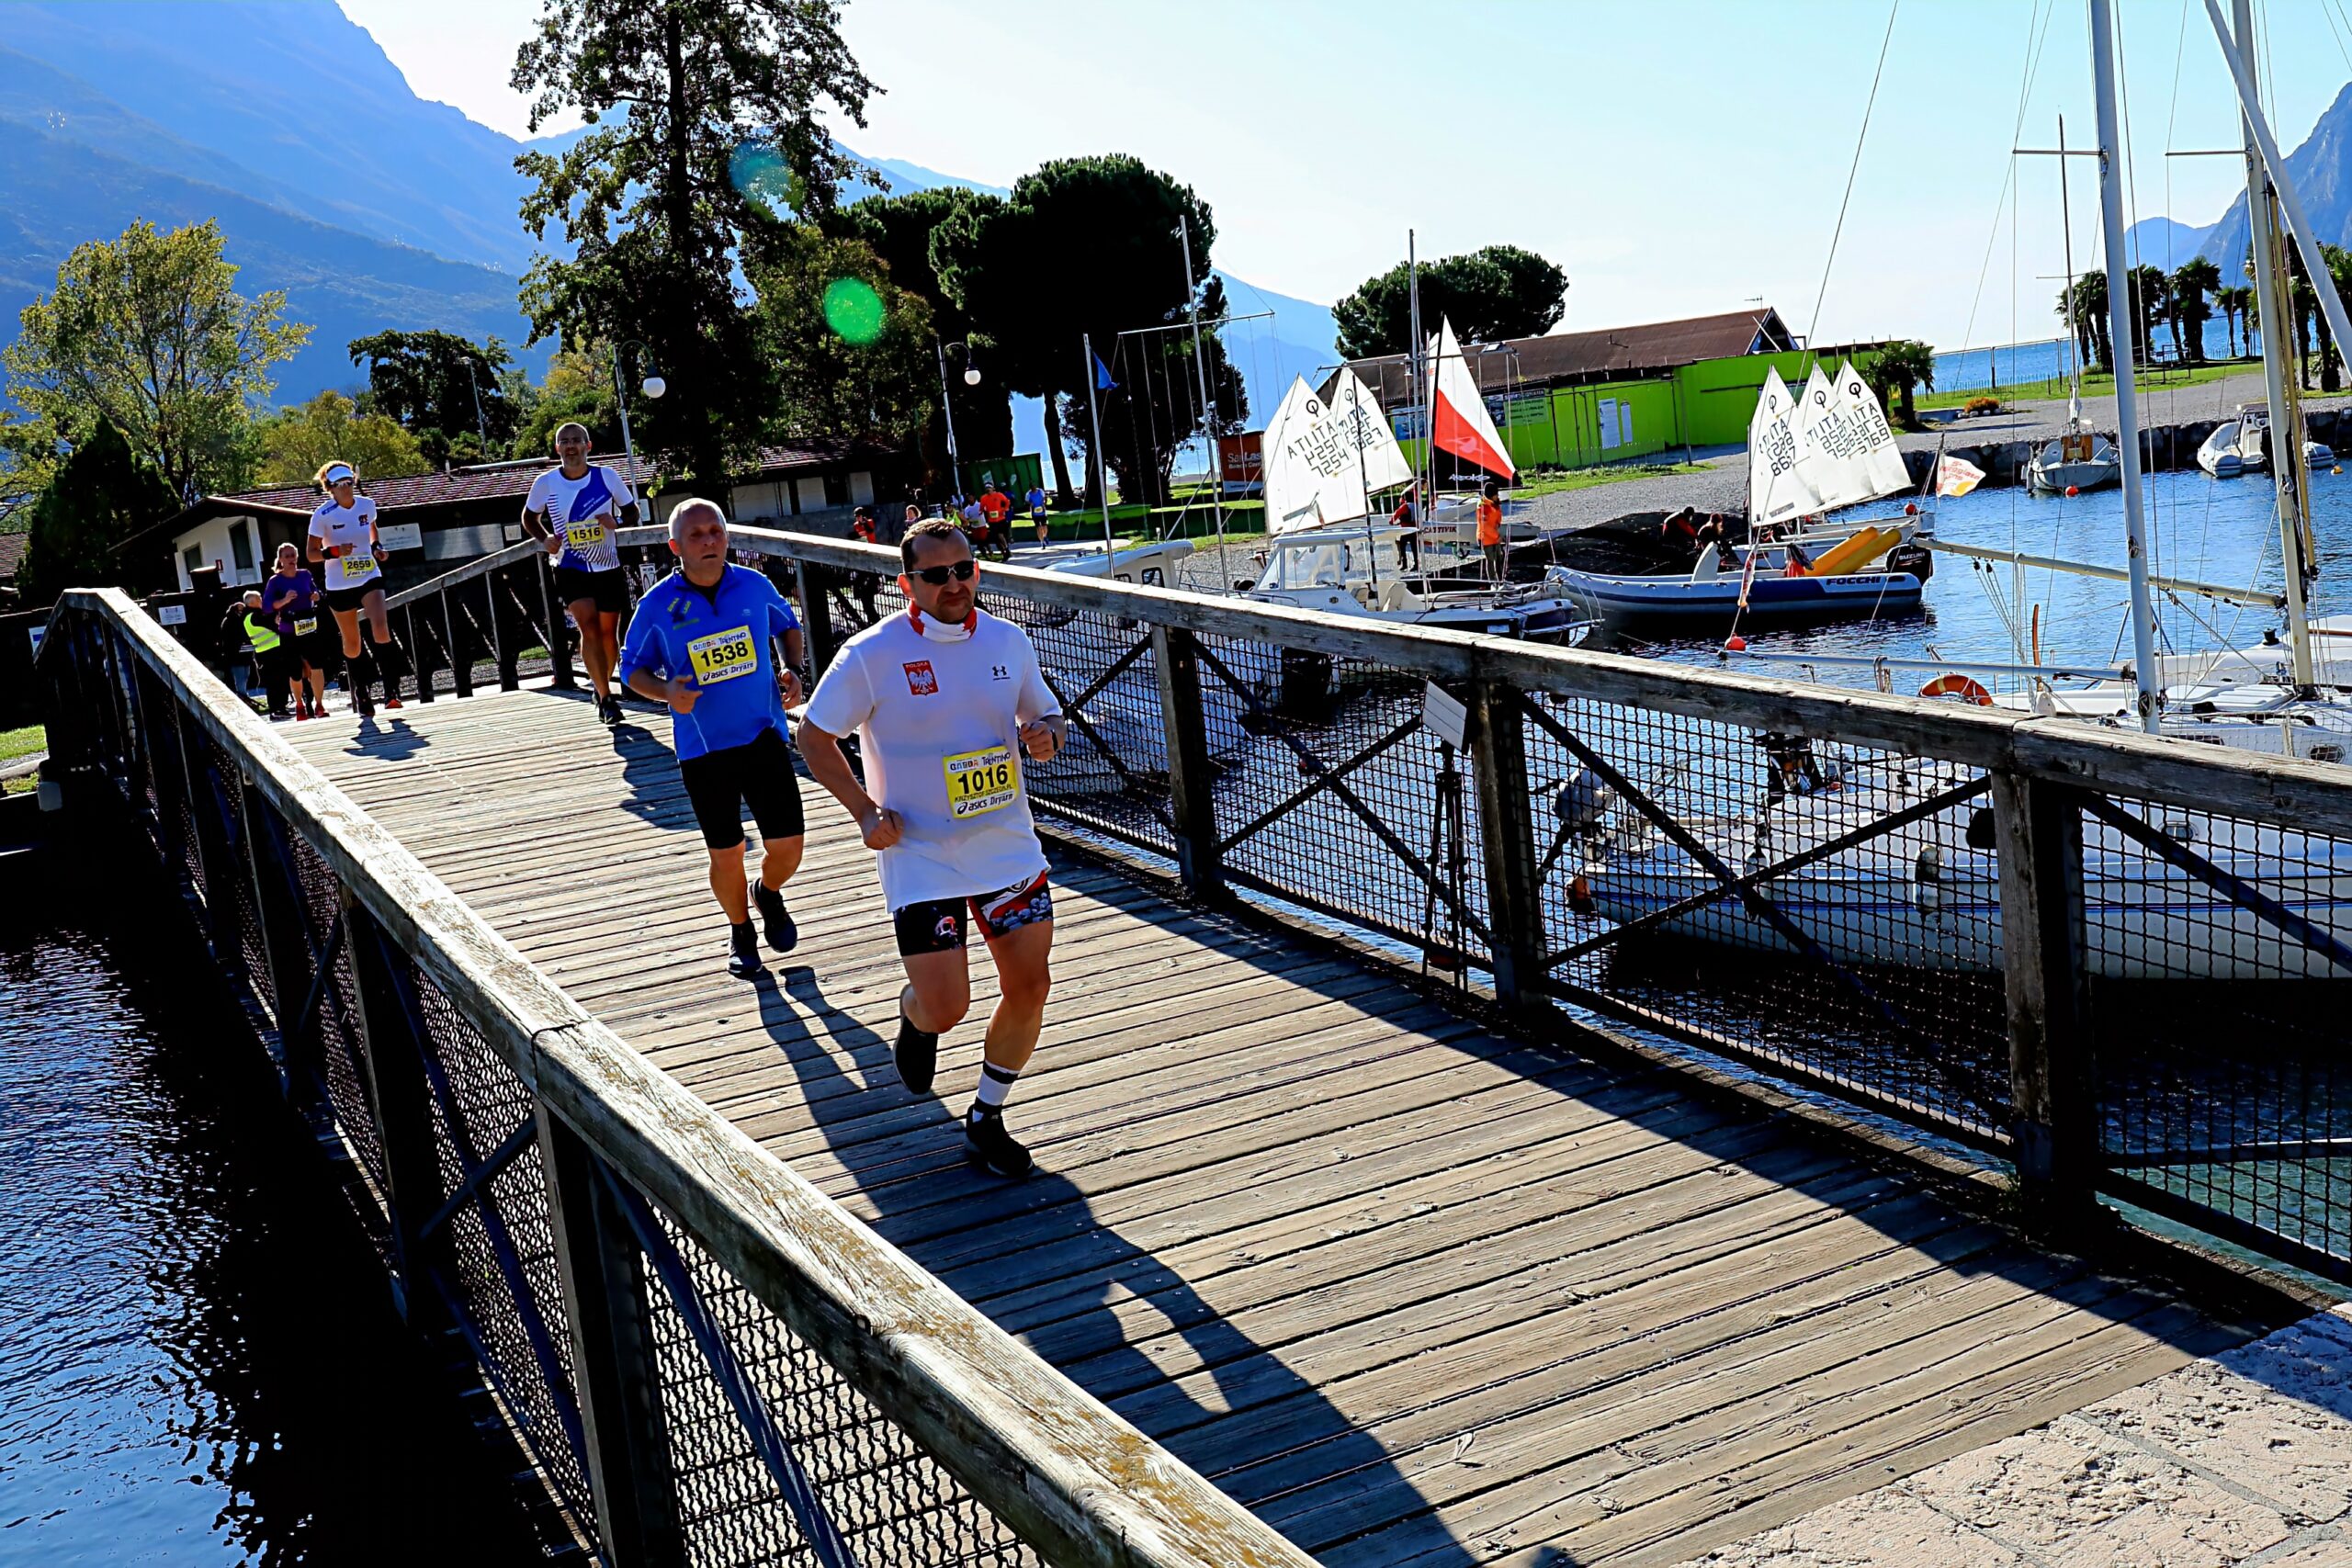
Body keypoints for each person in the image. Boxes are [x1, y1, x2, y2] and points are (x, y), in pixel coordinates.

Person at [798, 519, 1069, 1180]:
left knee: (1030, 984)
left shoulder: (1009, 640)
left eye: (964, 569)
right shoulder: (871, 654)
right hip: (920, 853)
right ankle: (916, 1019)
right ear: (907, 584)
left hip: (1006, 847)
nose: (954, 584)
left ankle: (987, 1114)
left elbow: (1050, 716)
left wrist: (1045, 737)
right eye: (937, 574)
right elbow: (813, 736)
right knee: (949, 1005)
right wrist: (865, 812)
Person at [619, 499, 808, 978]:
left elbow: (789, 627)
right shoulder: (657, 606)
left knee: (788, 847)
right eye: (697, 535)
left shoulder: (754, 585)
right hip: (703, 749)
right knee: (726, 852)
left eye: (716, 531)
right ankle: (741, 930)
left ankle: (766, 892)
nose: (708, 541)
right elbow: (630, 671)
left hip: (764, 735)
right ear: (675, 546)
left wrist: (792, 669)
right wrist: (665, 692)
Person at [523, 423, 640, 727]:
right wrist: (545, 538)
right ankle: (605, 697)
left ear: (588, 446)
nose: (571, 446)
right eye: (565, 442)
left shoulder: (606, 476)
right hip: (569, 565)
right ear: (557, 449)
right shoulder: (545, 482)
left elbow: (632, 513)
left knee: (608, 633)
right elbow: (528, 517)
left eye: (577, 441)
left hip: (607, 565)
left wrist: (615, 521)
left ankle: (602, 685)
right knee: (587, 627)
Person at [305, 460, 407, 716]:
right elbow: (311, 554)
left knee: (380, 627)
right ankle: (361, 691)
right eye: (341, 484)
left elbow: (372, 533)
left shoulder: (367, 505)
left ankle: (391, 690)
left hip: (368, 575)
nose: (347, 488)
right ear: (331, 488)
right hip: (339, 583)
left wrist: (377, 549)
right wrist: (335, 551)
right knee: (352, 642)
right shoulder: (322, 515)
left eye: (350, 482)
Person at [262, 542, 329, 719]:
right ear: (281, 560)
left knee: (317, 666)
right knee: (295, 670)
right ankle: (299, 705)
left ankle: (320, 705)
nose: (291, 559)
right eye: (287, 556)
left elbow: (316, 591)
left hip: (308, 625)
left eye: (293, 555)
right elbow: (267, 607)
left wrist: (316, 596)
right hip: (289, 629)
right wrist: (284, 600)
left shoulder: (305, 575)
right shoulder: (275, 581)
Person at [1476, 481, 1507, 580]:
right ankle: (1493, 582)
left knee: (1499, 559)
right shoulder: (1482, 507)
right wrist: (1497, 537)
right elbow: (1485, 526)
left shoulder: (1494, 504)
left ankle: (1501, 580)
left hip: (1494, 537)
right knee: (1491, 560)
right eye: (1495, 494)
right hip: (1486, 539)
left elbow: (1497, 519)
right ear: (1490, 495)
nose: (1497, 496)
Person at [978, 483, 1012, 559]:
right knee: (996, 539)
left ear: (993, 488)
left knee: (1000, 535)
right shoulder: (983, 498)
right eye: (986, 488)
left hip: (1000, 518)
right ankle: (1004, 553)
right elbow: (982, 507)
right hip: (991, 520)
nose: (988, 489)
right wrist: (981, 511)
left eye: (989, 488)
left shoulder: (999, 495)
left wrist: (1005, 509)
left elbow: (1007, 502)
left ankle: (1006, 549)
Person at [1025, 482, 1050, 547]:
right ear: (1030, 488)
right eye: (1032, 487)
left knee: (1044, 526)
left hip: (1042, 512)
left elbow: (1045, 498)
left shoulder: (1040, 491)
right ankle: (1042, 542)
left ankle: (1045, 536)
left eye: (1034, 487)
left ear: (1036, 486)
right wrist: (1030, 503)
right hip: (1034, 513)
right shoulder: (1028, 494)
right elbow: (1026, 501)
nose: (1033, 488)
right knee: (1038, 527)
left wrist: (1044, 503)